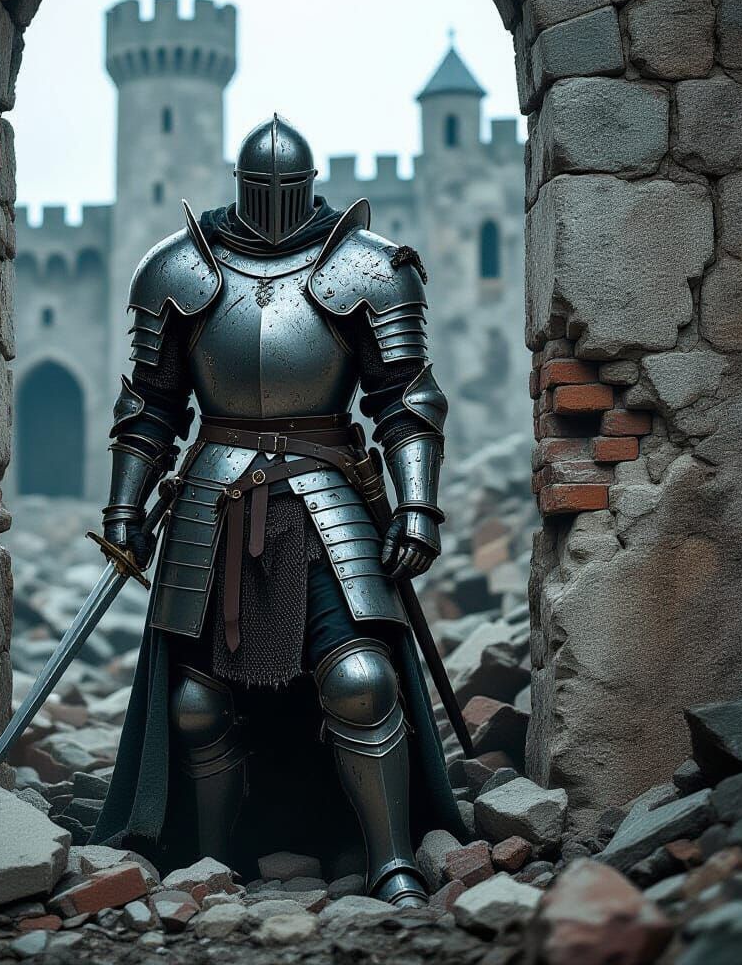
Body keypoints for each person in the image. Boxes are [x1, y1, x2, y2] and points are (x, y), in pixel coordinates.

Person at [92, 115, 463, 907]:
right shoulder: (177, 269)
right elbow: (151, 407)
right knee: (196, 704)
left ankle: (390, 857)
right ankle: (210, 857)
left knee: (362, 679)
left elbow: (404, 400)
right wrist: (124, 506)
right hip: (213, 497)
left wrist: (418, 504)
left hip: (327, 489)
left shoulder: (367, 267)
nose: (271, 202)